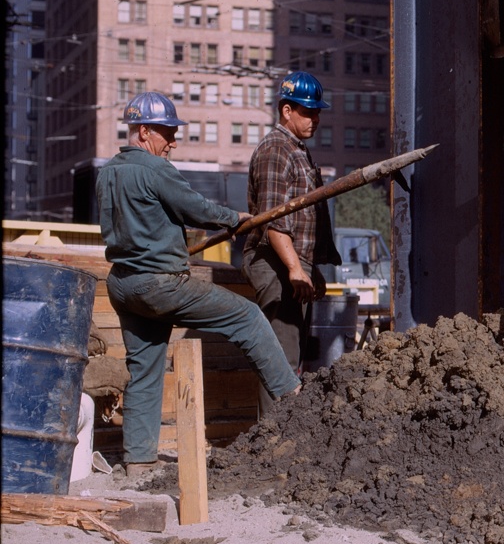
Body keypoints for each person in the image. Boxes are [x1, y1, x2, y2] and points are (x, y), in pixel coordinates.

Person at [97, 92, 302, 477]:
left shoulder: (107, 173)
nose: (173, 142)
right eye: (168, 133)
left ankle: (138, 461)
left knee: (144, 368)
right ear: (144, 132)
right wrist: (234, 218)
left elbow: (144, 220)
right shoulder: (156, 170)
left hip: (123, 286)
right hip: (159, 284)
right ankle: (292, 395)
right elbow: (194, 207)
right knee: (248, 316)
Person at [242, 72, 341, 405]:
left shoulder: (297, 150)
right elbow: (272, 219)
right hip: (274, 263)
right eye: (307, 111)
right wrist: (296, 269)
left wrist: (310, 269)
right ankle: (271, 444)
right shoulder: (276, 149)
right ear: (286, 111)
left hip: (289, 264)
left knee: (292, 358)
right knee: (280, 361)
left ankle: (281, 442)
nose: (315, 119)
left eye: (317, 112)